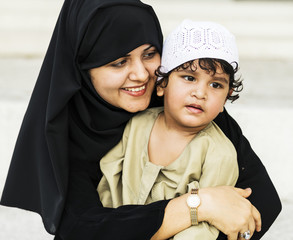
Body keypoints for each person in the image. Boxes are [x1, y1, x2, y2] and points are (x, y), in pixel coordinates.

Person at [0, 0, 281, 240]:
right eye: (119, 62)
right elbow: (83, 228)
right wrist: (197, 205)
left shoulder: (182, 101)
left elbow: (261, 203)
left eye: (149, 54)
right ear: (83, 67)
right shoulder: (67, 130)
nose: (142, 75)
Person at [97, 20, 243, 240]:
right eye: (189, 78)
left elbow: (204, 228)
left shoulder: (218, 154)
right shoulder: (137, 125)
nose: (200, 93)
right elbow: (108, 183)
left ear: (226, 98)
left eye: (216, 85)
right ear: (162, 84)